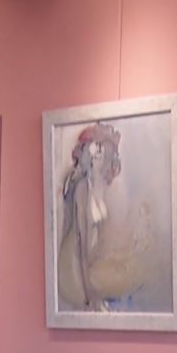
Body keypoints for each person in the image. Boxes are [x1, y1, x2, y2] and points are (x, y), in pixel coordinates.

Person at [59, 123, 122, 311]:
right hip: (75, 271)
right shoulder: (82, 187)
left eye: (103, 148)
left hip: (86, 267)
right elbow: (82, 244)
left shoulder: (96, 185)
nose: (99, 153)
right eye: (96, 147)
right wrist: (90, 297)